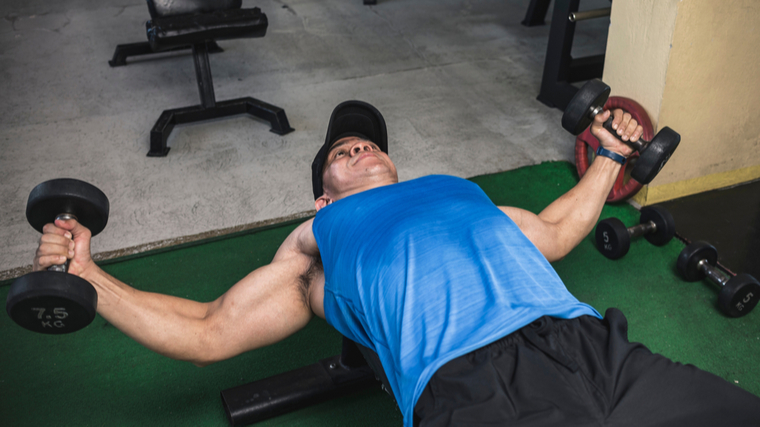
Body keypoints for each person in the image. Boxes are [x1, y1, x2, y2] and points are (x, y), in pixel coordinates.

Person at [34, 101, 760, 426]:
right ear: (323, 197)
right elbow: (210, 330)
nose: (357, 149)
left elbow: (556, 229)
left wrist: (608, 155)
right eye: (340, 155)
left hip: (588, 342)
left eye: (368, 145)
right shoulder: (316, 242)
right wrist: (88, 277)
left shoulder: (460, 194)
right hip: (470, 385)